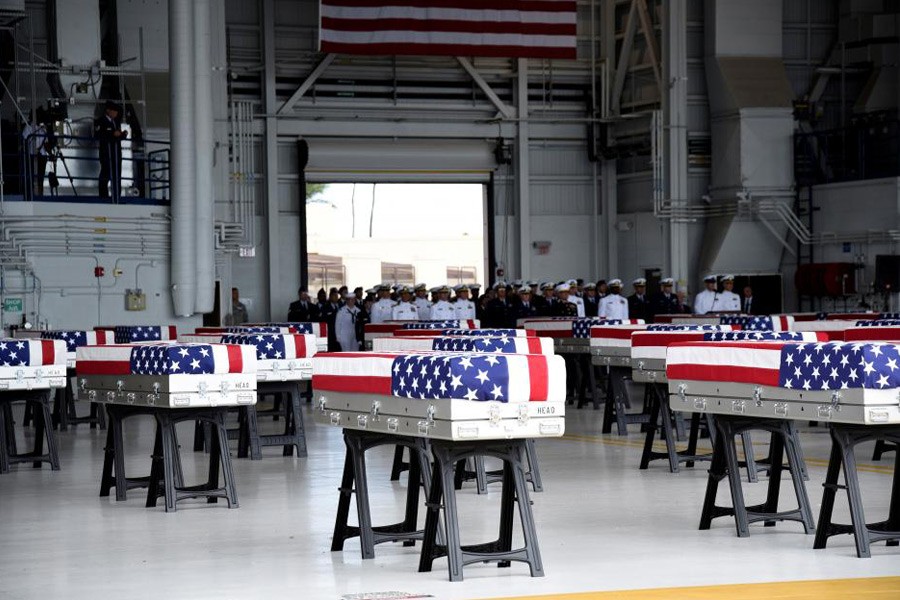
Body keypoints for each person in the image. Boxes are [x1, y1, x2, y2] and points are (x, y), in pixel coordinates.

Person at [95, 100, 128, 199]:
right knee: (105, 174)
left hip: (116, 153)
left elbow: (117, 136)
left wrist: (123, 134)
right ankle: (103, 196)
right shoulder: (101, 121)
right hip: (106, 153)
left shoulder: (115, 122)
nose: (116, 113)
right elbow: (99, 135)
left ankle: (117, 195)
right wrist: (112, 134)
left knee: (117, 175)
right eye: (114, 111)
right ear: (108, 110)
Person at [22, 109, 50, 196]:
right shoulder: (28, 128)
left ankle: (40, 194)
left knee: (40, 177)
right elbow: (24, 141)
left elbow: (46, 143)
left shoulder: (43, 129)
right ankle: (30, 194)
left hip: (42, 156)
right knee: (31, 176)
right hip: (31, 156)